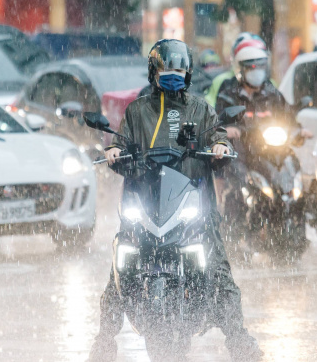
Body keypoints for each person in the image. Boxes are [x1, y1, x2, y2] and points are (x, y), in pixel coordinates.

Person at [87, 40, 262, 362]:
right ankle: (103, 342)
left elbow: (217, 135)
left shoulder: (200, 108)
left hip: (192, 201)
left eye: (179, 69)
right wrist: (113, 152)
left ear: (189, 72)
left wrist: (221, 146)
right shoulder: (137, 110)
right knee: (118, 269)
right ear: (154, 72)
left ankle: (239, 339)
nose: (173, 75)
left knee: (219, 271)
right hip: (143, 201)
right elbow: (122, 143)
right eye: (167, 69)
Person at [214, 45, 310, 247]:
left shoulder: (272, 94)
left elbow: (288, 117)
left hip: (270, 150)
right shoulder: (228, 95)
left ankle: (297, 231)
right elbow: (220, 121)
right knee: (239, 187)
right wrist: (230, 129)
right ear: (240, 69)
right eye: (251, 67)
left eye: (260, 66)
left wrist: (298, 131)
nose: (256, 71)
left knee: (296, 181)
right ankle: (234, 237)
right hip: (241, 152)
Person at [204, 32, 267, 107]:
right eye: (249, 63)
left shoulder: (269, 84)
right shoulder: (222, 81)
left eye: (259, 63)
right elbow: (209, 106)